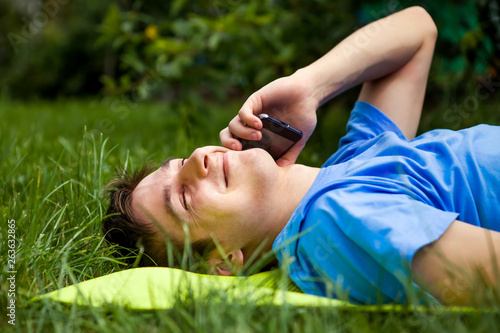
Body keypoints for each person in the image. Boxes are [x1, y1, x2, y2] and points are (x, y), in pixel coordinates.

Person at [103, 7, 500, 306]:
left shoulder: (350, 166)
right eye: (184, 198)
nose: (195, 161)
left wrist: (309, 85)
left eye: (177, 163)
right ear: (223, 261)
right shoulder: (338, 223)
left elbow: (417, 30)